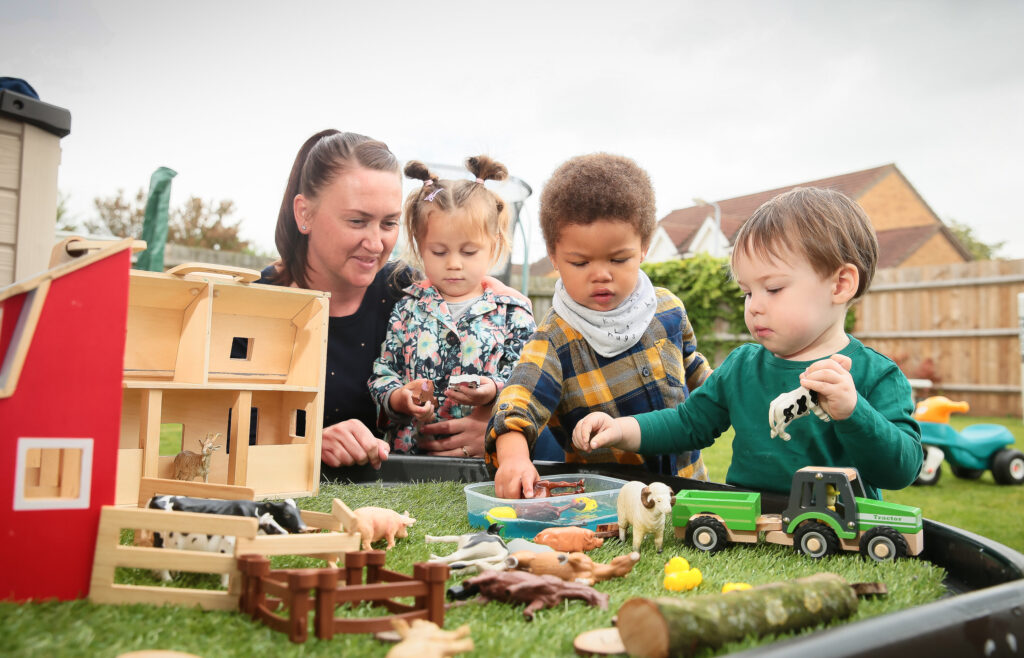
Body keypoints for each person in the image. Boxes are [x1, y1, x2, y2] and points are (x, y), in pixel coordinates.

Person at [572, 187, 923, 500]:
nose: (754, 305)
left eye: (773, 289)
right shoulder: (742, 367)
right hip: (749, 531)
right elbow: (686, 423)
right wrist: (620, 428)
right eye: (747, 292)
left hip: (837, 536)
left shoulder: (876, 374)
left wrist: (853, 412)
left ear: (840, 284)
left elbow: (900, 471)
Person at [262, 129, 523, 470]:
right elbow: (220, 434)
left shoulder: (413, 295)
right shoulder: (259, 305)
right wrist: (309, 443)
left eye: (388, 223)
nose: (375, 243)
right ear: (304, 214)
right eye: (357, 221)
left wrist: (495, 431)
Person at [487, 153, 712, 499]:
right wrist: (514, 458)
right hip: (612, 502)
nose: (601, 274)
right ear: (554, 255)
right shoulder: (555, 340)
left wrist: (735, 396)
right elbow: (517, 405)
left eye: (619, 259)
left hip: (690, 489)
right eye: (580, 262)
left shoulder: (668, 309)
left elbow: (697, 374)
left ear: (644, 247)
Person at [368, 157, 536, 455]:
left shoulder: (513, 312)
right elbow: (384, 372)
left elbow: (528, 381)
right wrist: (397, 397)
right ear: (420, 246)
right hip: (410, 463)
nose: (454, 264)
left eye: (469, 251)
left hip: (485, 462)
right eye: (439, 251)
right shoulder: (408, 307)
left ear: (494, 245)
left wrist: (492, 390)